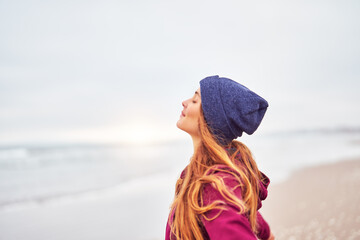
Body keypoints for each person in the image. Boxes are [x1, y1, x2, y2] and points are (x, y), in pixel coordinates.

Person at [165, 75, 275, 240]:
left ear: (212, 121)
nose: (184, 102)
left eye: (195, 101)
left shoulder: (214, 184)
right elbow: (238, 205)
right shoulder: (207, 169)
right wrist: (267, 233)